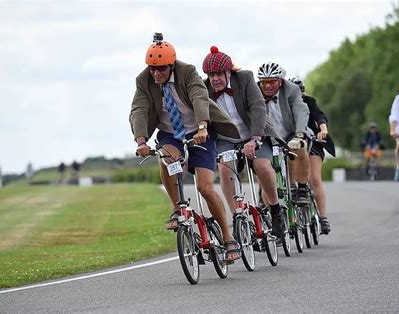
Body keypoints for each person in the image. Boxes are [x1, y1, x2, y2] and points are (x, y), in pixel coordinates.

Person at [130, 34, 242, 263]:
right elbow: (139, 109)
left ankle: (229, 238)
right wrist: (141, 141)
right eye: (152, 68)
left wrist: (202, 126)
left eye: (161, 68)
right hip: (170, 133)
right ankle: (177, 208)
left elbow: (200, 96)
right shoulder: (144, 80)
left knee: (205, 188)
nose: (156, 73)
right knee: (166, 159)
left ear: (171, 65)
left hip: (198, 131)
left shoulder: (187, 71)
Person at [202, 48, 285, 237]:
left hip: (254, 133)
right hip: (226, 139)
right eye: (211, 75)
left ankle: (275, 209)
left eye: (218, 74)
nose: (215, 79)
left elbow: (258, 107)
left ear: (228, 72)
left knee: (262, 166)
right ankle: (237, 217)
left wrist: (255, 138)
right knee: (224, 168)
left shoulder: (245, 78)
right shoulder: (204, 89)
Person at [256, 64, 310, 208]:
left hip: (289, 132)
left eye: (272, 82)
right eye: (263, 82)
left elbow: (301, 110)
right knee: (262, 164)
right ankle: (273, 214)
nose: (267, 86)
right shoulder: (254, 91)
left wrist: (299, 134)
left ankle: (302, 188)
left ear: (280, 81)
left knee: (299, 147)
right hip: (267, 137)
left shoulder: (291, 89)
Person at [290, 77, 335, 234]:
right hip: (292, 144)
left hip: (312, 142)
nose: (298, 96)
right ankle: (292, 219)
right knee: (291, 180)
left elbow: (319, 117)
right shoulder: (284, 104)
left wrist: (323, 130)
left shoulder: (309, 101)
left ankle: (323, 218)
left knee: (314, 178)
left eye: (300, 92)